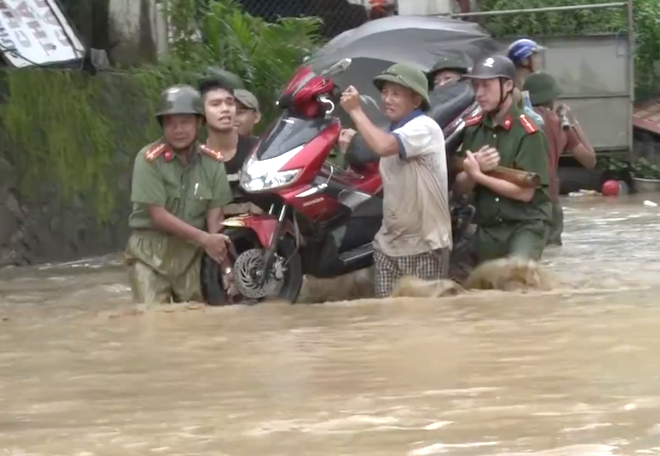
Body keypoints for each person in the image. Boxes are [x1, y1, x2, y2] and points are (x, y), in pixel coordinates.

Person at [339, 63, 452, 298]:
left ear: (416, 101)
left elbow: (383, 146)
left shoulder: (424, 128)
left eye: (396, 94)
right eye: (385, 93)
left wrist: (356, 111)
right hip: (388, 246)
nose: (387, 99)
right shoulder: (393, 131)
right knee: (389, 322)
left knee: (425, 322)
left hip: (424, 246)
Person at [125, 85, 233, 304]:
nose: (178, 130)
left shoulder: (213, 163)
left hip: (192, 255)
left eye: (185, 122)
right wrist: (206, 239)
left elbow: (215, 221)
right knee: (152, 321)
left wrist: (227, 269)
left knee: (197, 320)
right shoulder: (148, 160)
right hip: (150, 254)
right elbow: (158, 216)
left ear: (199, 123)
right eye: (170, 123)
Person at [454, 55, 552, 263]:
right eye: (476, 86)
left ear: (507, 85)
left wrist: (480, 177)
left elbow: (525, 193)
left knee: (517, 275)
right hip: (488, 228)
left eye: (486, 86)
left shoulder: (529, 132)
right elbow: (460, 188)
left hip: (524, 226)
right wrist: (472, 173)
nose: (479, 94)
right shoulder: (473, 129)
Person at [523, 72, 596, 246]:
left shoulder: (521, 120)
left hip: (526, 198)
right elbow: (590, 160)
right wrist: (573, 121)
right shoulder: (560, 124)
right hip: (552, 199)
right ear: (551, 98)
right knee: (553, 254)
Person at [197, 75, 261, 216]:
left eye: (230, 103)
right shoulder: (195, 159)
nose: (225, 109)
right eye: (216, 104)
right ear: (201, 113)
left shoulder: (260, 149)